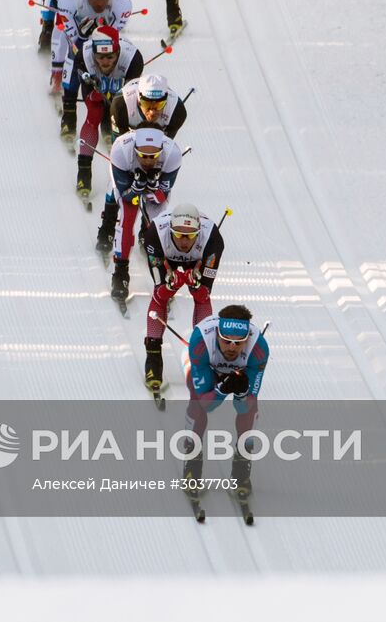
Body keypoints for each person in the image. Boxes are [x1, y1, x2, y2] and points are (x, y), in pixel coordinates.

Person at [179, 304, 269, 499]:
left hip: (242, 371)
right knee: (196, 404)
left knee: (250, 412)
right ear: (217, 334)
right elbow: (206, 405)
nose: (232, 347)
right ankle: (192, 460)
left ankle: (242, 465)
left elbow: (244, 405)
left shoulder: (259, 349)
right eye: (226, 341)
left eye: (239, 343)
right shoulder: (201, 340)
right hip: (207, 367)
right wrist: (221, 389)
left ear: (248, 339)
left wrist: (241, 392)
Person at [142, 204, 224, 397]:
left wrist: (196, 285)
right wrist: (170, 285)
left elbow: (204, 294)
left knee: (202, 297)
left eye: (190, 235)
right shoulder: (155, 235)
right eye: (178, 235)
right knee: (161, 295)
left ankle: (205, 355)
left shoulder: (213, 239)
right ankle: (153, 356)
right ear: (170, 230)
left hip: (199, 259)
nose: (185, 241)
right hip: (165, 257)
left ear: (199, 232)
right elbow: (159, 292)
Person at [101, 127, 182, 304]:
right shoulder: (121, 149)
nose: (148, 161)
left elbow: (162, 195)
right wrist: (137, 187)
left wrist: (152, 186)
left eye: (153, 156)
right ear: (135, 149)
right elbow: (124, 194)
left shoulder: (172, 154)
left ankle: (162, 275)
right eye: (143, 155)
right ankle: (120, 272)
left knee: (159, 226)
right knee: (126, 221)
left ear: (161, 151)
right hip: (128, 181)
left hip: (152, 186)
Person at [71, 26, 144, 201]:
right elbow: (88, 93)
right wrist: (97, 92)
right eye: (100, 57)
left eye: (110, 57)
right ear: (93, 54)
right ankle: (84, 172)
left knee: (123, 114)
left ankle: (127, 165)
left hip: (124, 83)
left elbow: (130, 98)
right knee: (94, 112)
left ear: (118, 52)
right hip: (96, 86)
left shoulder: (133, 59)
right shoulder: (84, 56)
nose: (104, 62)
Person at [51, 0, 134, 110]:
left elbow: (112, 42)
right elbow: (74, 41)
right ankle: (69, 107)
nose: (100, 2)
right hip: (77, 20)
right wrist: (83, 36)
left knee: (109, 56)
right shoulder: (67, 0)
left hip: (106, 22)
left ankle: (111, 103)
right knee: (74, 54)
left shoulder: (123, 3)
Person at [110, 73, 187, 138]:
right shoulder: (120, 106)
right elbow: (119, 143)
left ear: (166, 101)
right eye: (147, 104)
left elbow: (165, 144)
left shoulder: (177, 111)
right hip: (123, 112)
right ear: (138, 100)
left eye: (159, 104)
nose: (152, 113)